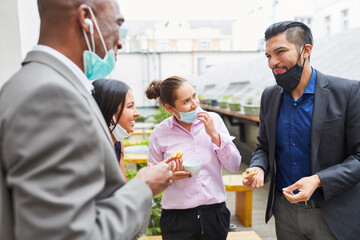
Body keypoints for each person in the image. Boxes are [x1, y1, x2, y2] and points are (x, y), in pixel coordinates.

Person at [0, 1, 173, 239]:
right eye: (117, 24)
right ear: (86, 18)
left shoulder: (37, 83)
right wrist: (144, 187)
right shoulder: (50, 96)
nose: (120, 42)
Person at [243, 21, 360, 240]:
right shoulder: (269, 96)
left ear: (305, 51)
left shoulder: (348, 92)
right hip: (284, 212)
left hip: (333, 213)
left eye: (280, 52)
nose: (272, 63)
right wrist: (258, 167)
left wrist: (318, 180)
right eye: (268, 56)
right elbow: (264, 147)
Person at [145, 76, 242, 240]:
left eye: (194, 96)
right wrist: (168, 176)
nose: (195, 103)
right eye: (186, 101)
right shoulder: (160, 133)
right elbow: (151, 183)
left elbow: (234, 165)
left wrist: (214, 135)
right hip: (177, 219)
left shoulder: (214, 121)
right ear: (170, 108)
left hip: (215, 214)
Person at [92, 79, 140, 181]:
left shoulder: (118, 144)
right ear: (109, 112)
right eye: (130, 106)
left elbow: (122, 188)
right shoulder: (90, 152)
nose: (137, 113)